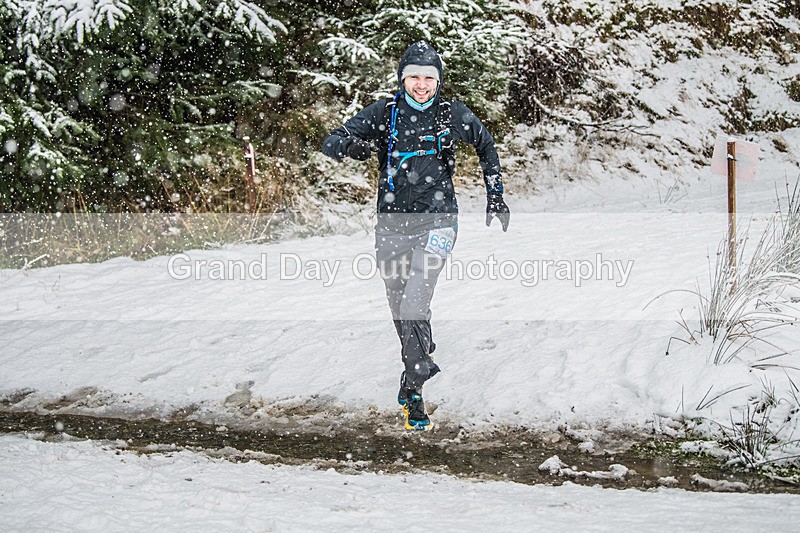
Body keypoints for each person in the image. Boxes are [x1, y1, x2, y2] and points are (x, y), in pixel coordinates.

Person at [321, 40, 510, 430]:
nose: (421, 85)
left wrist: (496, 196)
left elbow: (486, 145)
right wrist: (353, 146)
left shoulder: (450, 113)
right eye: (414, 78)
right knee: (400, 309)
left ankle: (416, 382)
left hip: (438, 223)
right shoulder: (384, 113)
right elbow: (331, 141)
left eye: (428, 77)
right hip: (391, 225)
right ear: (402, 79)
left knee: (414, 305)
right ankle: (415, 370)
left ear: (438, 80)